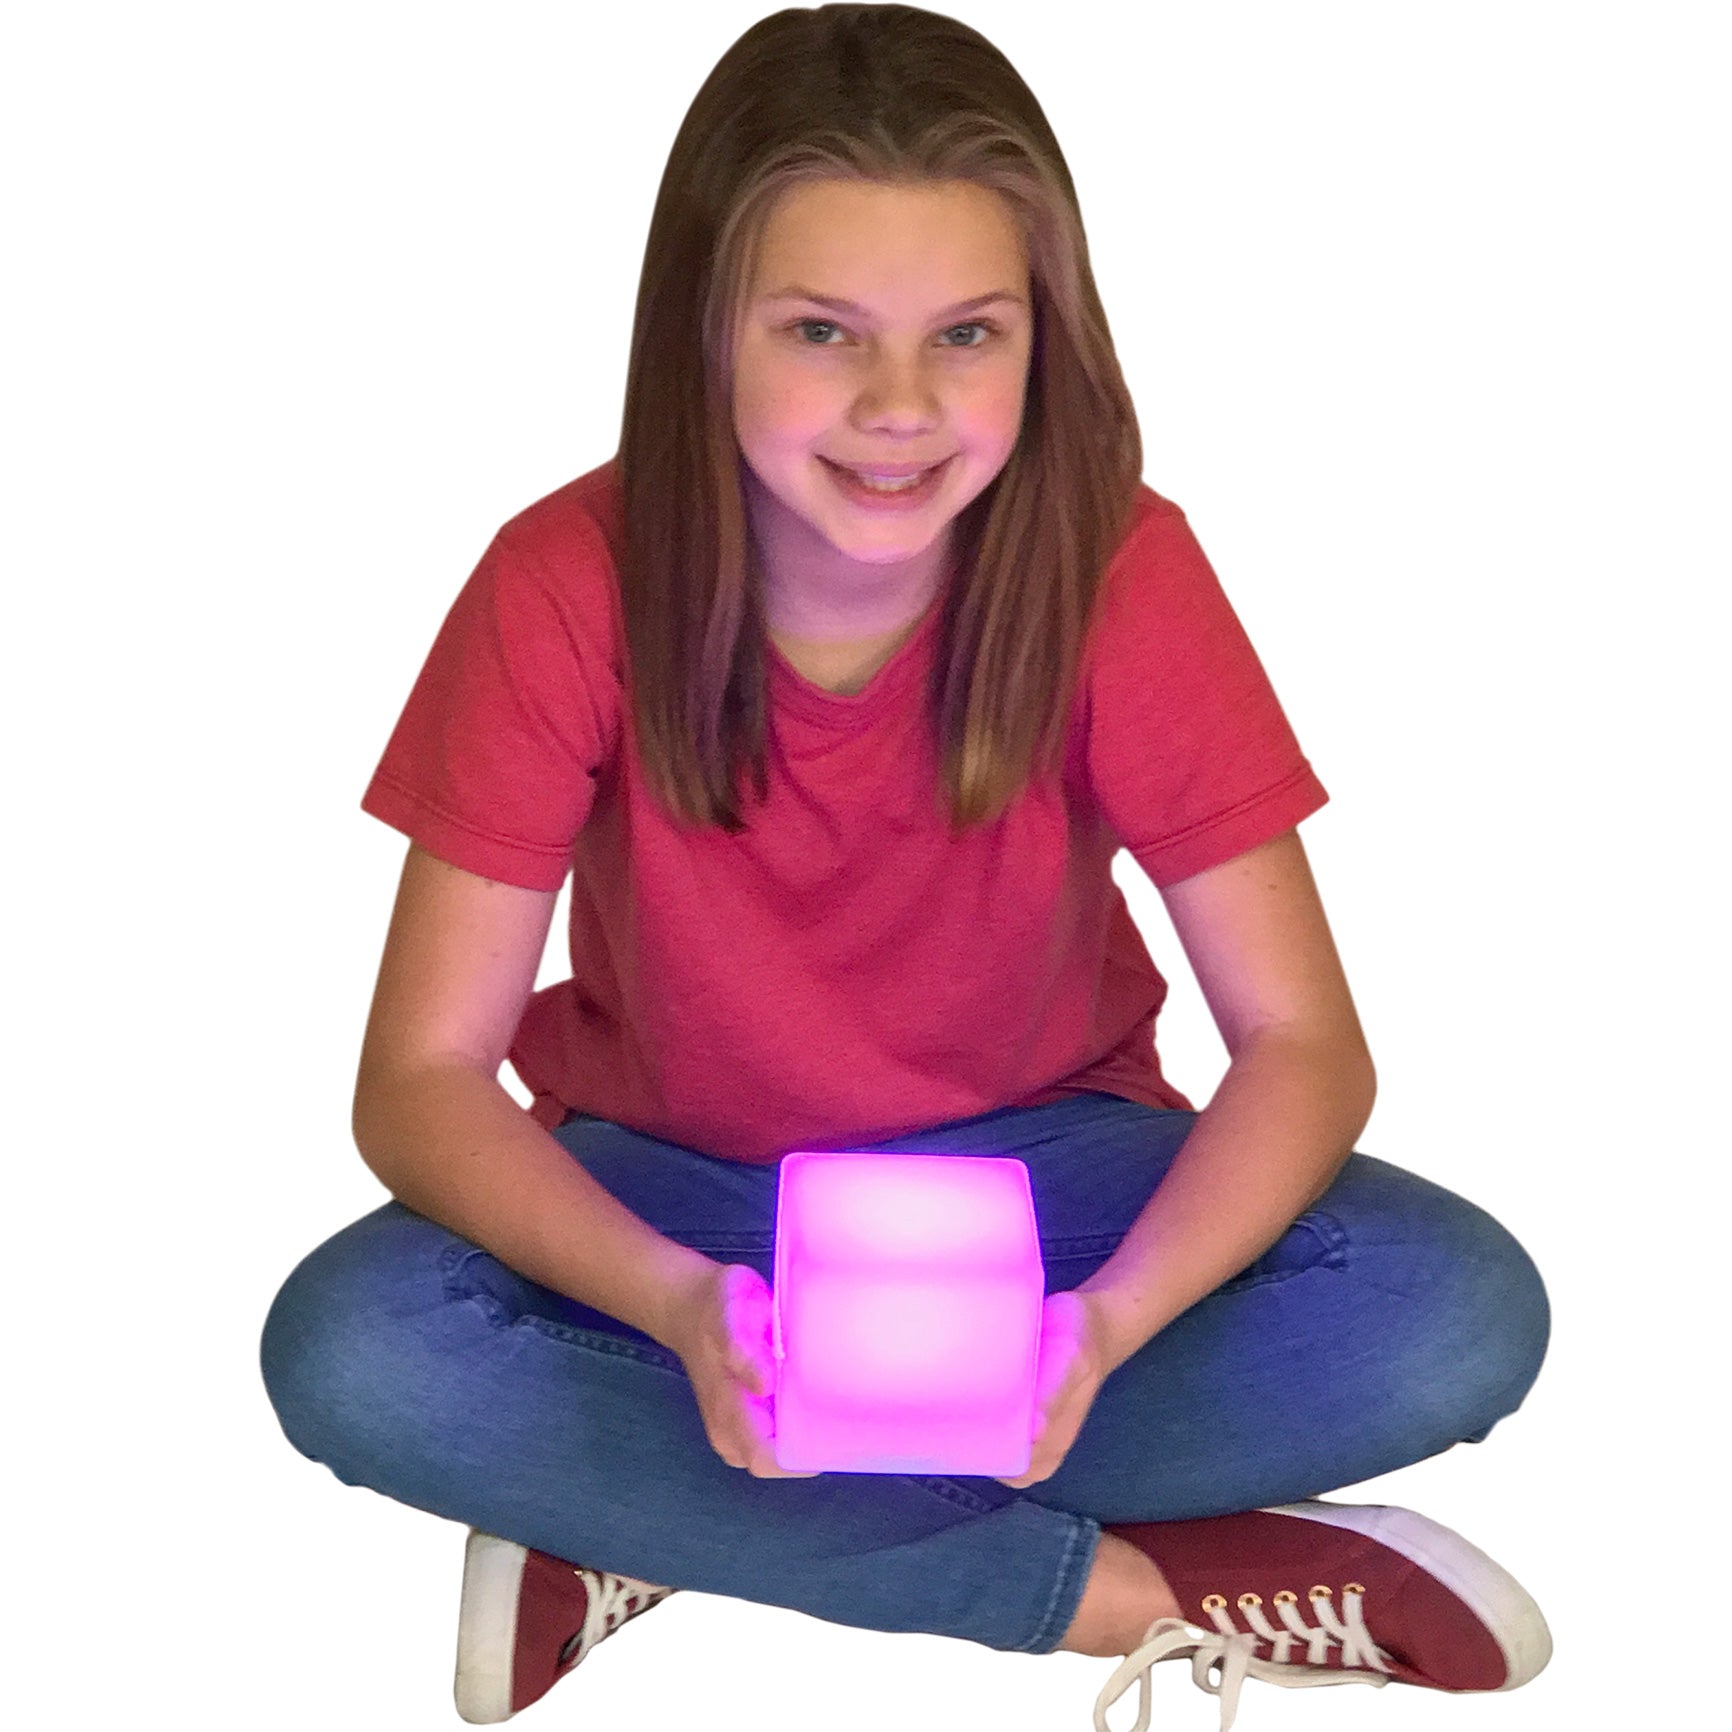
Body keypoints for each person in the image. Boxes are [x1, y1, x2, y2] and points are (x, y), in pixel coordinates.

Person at [259, 6, 1553, 1728]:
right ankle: (1127, 1589)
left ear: (1043, 338)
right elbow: (421, 1081)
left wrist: (1107, 1327)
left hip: (1048, 1194)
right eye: (821, 332)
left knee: (1454, 1311)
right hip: (683, 1203)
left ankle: (654, 1518)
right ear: (705, 331)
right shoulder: (561, 583)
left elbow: (1305, 1044)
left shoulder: (1121, 568)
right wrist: (680, 1310)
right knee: (354, 1347)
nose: (899, 408)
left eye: (966, 335)